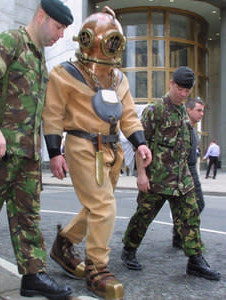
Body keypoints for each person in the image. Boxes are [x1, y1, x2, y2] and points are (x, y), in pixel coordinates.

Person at [0, 1, 74, 299]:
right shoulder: (10, 41)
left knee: (28, 216)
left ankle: (33, 276)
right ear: (42, 17)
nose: (60, 34)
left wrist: (53, 151)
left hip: (28, 155)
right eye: (58, 27)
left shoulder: (39, 60)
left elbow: (41, 112)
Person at [42, 7, 152, 299]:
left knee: (97, 206)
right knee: (104, 206)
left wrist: (140, 142)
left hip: (111, 148)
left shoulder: (117, 79)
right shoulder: (64, 74)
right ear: (88, 40)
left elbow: (128, 115)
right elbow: (52, 115)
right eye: (108, 41)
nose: (112, 49)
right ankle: (97, 269)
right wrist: (55, 152)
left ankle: (63, 244)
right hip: (82, 145)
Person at [121, 66, 221, 281]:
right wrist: (141, 175)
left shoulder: (184, 112)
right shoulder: (155, 110)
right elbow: (140, 145)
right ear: (171, 84)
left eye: (187, 91)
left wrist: (190, 176)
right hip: (156, 179)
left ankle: (195, 260)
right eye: (180, 89)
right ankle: (129, 249)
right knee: (143, 217)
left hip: (181, 180)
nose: (183, 94)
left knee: (190, 218)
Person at [172, 97, 206, 249]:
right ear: (189, 110)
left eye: (203, 111)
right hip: (182, 169)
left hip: (191, 169)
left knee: (195, 204)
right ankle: (183, 237)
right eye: (199, 110)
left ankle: (180, 236)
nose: (202, 114)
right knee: (194, 204)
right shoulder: (181, 125)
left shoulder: (192, 128)